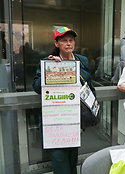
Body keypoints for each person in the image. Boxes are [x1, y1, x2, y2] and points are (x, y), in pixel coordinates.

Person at [33, 27, 95, 174]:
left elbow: (89, 85)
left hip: (75, 119)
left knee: (73, 161)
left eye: (71, 40)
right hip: (56, 121)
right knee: (60, 162)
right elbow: (36, 86)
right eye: (64, 40)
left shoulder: (83, 60)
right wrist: (54, 69)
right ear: (56, 43)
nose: (68, 44)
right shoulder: (48, 62)